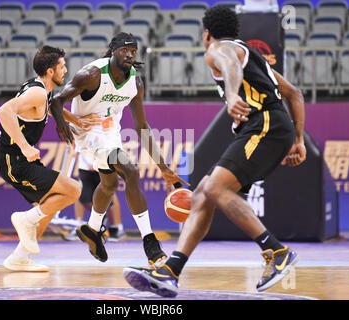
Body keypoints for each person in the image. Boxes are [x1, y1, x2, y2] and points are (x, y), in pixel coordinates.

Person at [123, 6, 306, 296]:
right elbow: (294, 92)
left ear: (206, 33)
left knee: (218, 188)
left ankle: (276, 251)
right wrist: (298, 139)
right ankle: (171, 271)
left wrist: (232, 94)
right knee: (204, 192)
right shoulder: (251, 53)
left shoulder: (217, 49)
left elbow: (230, 65)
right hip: (271, 129)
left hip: (265, 126)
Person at [49, 32, 189, 266]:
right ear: (113, 50)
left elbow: (142, 127)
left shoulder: (135, 82)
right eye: (125, 50)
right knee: (131, 171)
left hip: (110, 131)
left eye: (134, 51)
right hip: (87, 132)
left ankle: (93, 229)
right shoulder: (92, 74)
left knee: (110, 184)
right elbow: (55, 100)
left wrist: (163, 167)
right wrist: (63, 123)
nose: (130, 54)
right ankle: (150, 243)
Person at [0, 45, 99, 272]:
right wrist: (24, 146)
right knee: (73, 190)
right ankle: (24, 221)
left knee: (46, 208)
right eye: (62, 66)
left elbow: (50, 108)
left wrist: (76, 121)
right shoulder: (38, 92)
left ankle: (19, 258)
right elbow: (4, 111)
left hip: (20, 159)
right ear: (50, 71)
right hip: (14, 160)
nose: (65, 70)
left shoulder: (44, 89)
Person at [64, 152, 126, 241]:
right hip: (85, 168)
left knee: (108, 194)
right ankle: (81, 224)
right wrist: (75, 148)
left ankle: (115, 228)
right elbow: (77, 143)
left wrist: (100, 163)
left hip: (103, 166)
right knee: (82, 195)